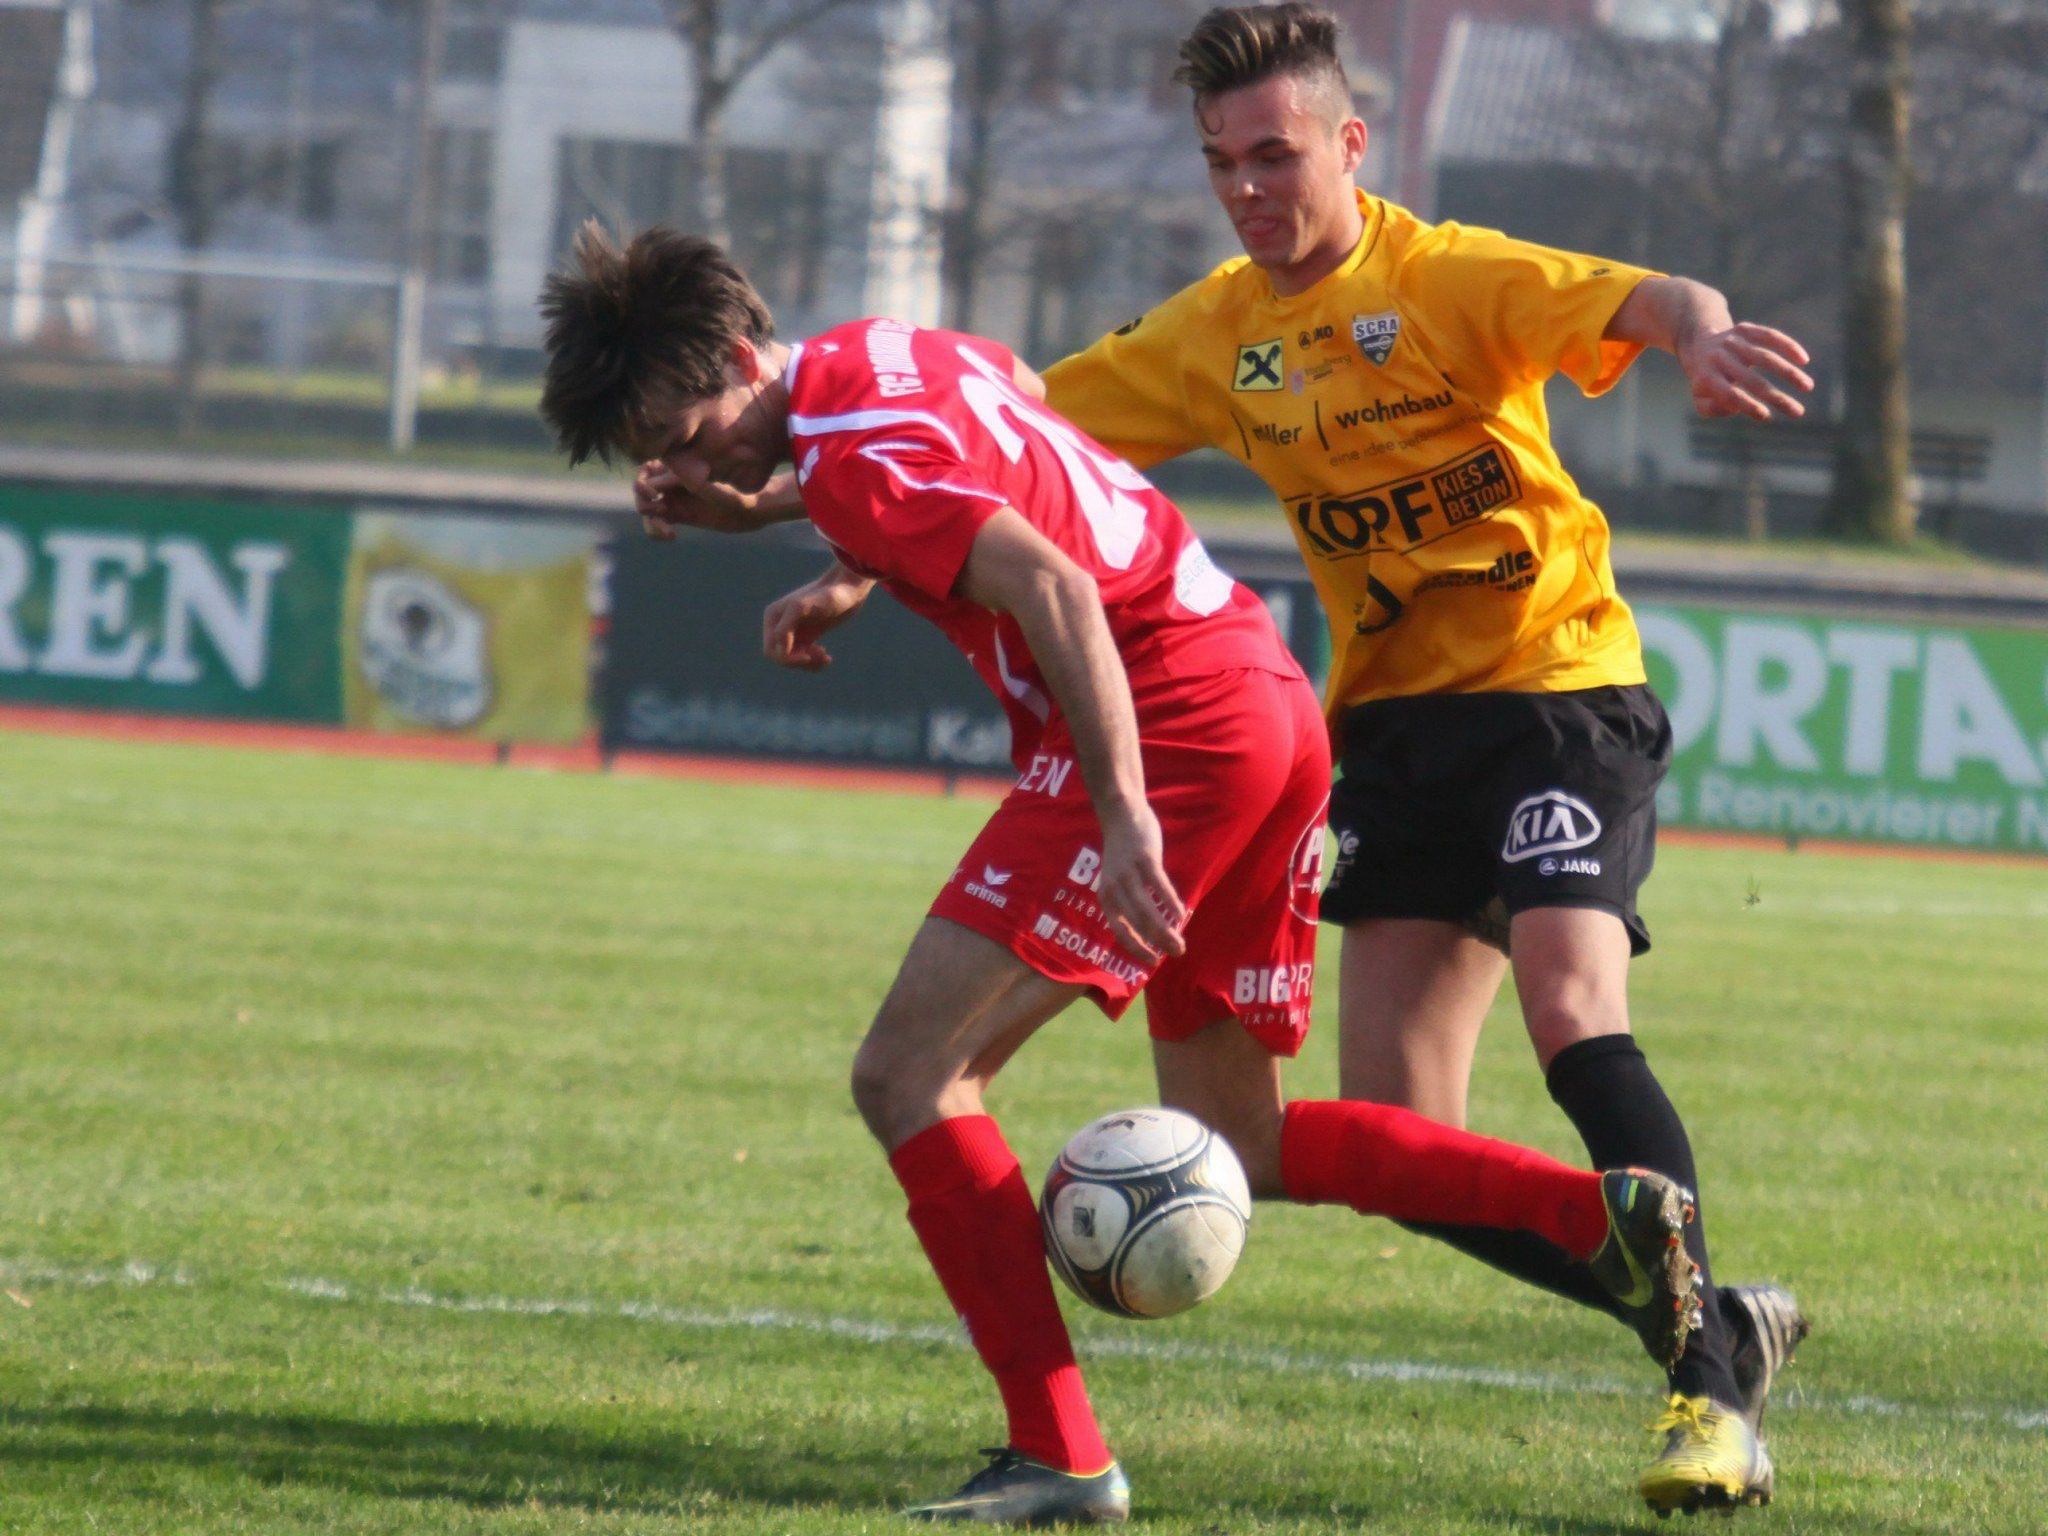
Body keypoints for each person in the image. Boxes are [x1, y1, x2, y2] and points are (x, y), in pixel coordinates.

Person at [627, 7, 1812, 1516]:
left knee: (1573, 1008)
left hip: (1555, 693)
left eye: (1275, 154)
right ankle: (1699, 1298)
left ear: (1348, 145)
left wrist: (1705, 336)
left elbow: (1650, 297)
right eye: (1220, 163)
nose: (1249, 187)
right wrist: (852, 551)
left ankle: (1708, 1397)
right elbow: (998, 434)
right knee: (1368, 1128)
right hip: (1376, 725)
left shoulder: (1444, 275)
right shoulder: (1216, 331)